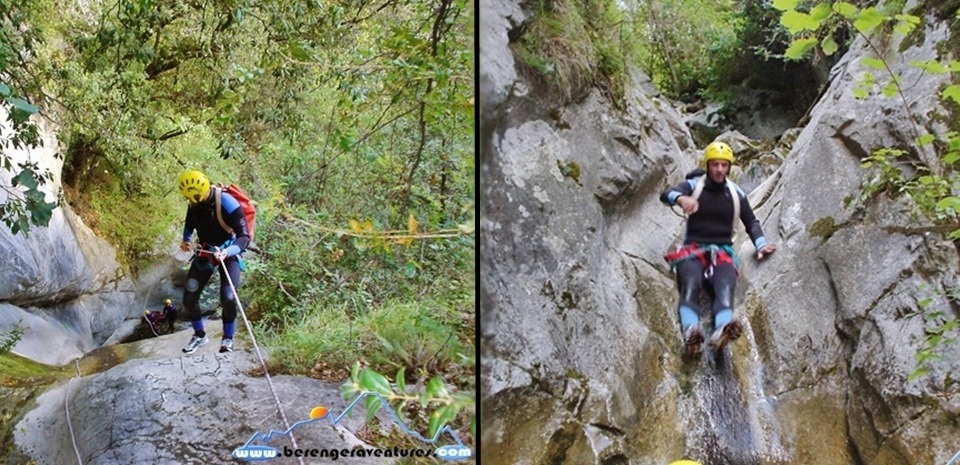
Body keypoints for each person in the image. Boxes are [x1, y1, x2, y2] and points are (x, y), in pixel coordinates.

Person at [660, 141, 777, 356]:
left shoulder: (735, 193)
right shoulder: (694, 186)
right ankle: (691, 331)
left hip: (722, 253)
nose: (720, 170)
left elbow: (751, 222)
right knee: (690, 284)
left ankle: (723, 329)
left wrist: (760, 244)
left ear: (729, 167)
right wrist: (681, 199)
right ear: (708, 165)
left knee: (724, 289)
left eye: (724, 165)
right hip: (692, 251)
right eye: (715, 165)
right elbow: (666, 194)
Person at [176, 170, 251, 354]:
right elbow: (190, 222)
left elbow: (244, 237)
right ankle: (200, 335)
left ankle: (227, 339)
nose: (193, 200)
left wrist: (227, 252)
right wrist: (186, 238)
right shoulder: (194, 201)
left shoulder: (227, 203)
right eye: (190, 198)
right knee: (189, 298)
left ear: (203, 190)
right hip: (206, 251)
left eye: (196, 197)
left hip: (229, 251)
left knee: (228, 297)